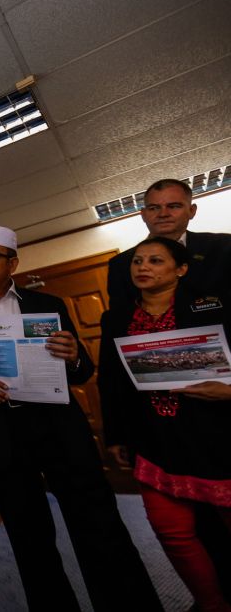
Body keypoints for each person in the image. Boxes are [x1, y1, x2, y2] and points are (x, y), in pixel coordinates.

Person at [0, 224, 162, 611]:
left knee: (99, 526)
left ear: (12, 262)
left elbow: (82, 371)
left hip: (59, 430)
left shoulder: (46, 304)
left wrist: (75, 356)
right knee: (29, 538)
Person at [100, 236, 231, 612]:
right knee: (172, 534)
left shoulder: (216, 306)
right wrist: (116, 436)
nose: (143, 267)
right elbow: (111, 382)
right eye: (138, 261)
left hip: (218, 436)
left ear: (181, 269)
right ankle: (211, 604)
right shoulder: (116, 319)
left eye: (156, 261)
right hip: (155, 439)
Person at [107, 178, 231, 306]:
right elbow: (119, 317)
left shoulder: (224, 247)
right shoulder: (121, 263)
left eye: (174, 206)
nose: (163, 214)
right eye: (154, 208)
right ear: (143, 215)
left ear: (192, 211)